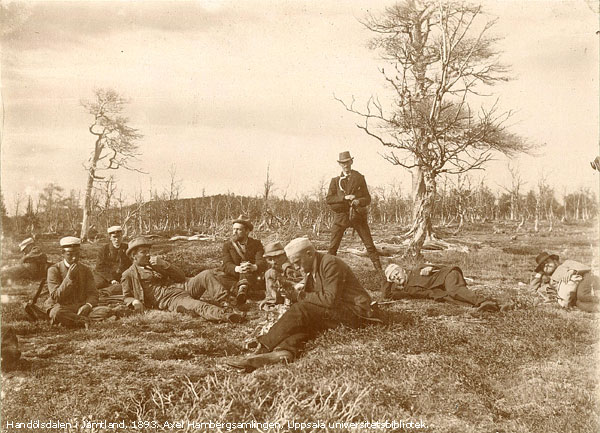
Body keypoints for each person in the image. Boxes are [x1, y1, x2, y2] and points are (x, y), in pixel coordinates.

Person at [225, 237, 381, 372]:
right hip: (340, 312)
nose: (297, 267)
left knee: (302, 310)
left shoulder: (330, 263)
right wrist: (292, 294)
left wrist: (299, 295)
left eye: (298, 262)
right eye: (294, 264)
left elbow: (329, 300)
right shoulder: (312, 267)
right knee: (305, 320)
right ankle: (284, 351)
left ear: (309, 254)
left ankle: (262, 348)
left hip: (358, 313)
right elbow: (315, 300)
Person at [121, 237, 243, 323]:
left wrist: (165, 264)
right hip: (169, 299)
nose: (148, 255)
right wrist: (134, 302)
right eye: (143, 252)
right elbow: (126, 296)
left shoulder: (155, 264)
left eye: (148, 252)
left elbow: (181, 277)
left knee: (206, 274)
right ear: (133, 256)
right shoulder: (128, 274)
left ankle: (226, 303)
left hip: (182, 287)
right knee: (197, 305)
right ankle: (228, 316)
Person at [326, 151, 381, 271]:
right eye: (343, 163)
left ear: (351, 162)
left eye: (347, 162)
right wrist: (344, 197)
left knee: (370, 245)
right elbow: (329, 199)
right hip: (341, 217)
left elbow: (368, 198)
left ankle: (380, 273)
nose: (345, 165)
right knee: (332, 247)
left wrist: (358, 201)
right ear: (340, 164)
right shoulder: (335, 181)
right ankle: (327, 273)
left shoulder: (359, 178)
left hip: (357, 215)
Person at [44, 237, 112, 328]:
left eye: (77, 254)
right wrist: (69, 279)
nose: (74, 258)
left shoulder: (85, 270)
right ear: (62, 254)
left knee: (105, 310)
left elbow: (93, 293)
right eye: (69, 254)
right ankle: (82, 320)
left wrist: (88, 305)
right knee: (56, 313)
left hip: (81, 306)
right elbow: (56, 297)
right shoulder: (54, 270)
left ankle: (73, 320)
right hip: (62, 306)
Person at [382, 263, 501, 311]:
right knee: (451, 298)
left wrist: (431, 268)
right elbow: (386, 295)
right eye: (393, 278)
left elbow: (442, 267)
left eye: (396, 273)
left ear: (403, 270)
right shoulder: (407, 290)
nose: (396, 278)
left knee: (454, 291)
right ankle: (492, 305)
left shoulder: (417, 269)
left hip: (448, 275)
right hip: (441, 291)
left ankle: (484, 301)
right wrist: (386, 279)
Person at [220, 215, 267, 304]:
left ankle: (242, 291)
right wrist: (237, 268)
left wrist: (254, 267)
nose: (235, 232)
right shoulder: (227, 245)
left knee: (248, 273)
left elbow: (262, 261)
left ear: (247, 231)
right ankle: (245, 291)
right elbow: (226, 264)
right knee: (217, 277)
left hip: (252, 276)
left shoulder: (256, 244)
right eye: (234, 229)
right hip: (235, 277)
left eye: (238, 229)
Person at [530, 252, 599, 312]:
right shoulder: (550, 283)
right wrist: (539, 274)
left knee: (582, 295)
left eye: (548, 262)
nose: (546, 265)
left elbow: (586, 267)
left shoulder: (566, 263)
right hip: (575, 293)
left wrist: (572, 271)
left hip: (585, 278)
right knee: (580, 304)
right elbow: (533, 290)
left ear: (554, 260)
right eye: (543, 266)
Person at [93, 225, 131, 296]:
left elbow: (131, 264)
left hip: (121, 276)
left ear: (121, 236)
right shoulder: (104, 250)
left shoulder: (127, 248)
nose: (117, 239)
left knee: (128, 285)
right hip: (105, 275)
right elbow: (99, 268)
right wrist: (111, 279)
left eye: (119, 236)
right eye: (114, 237)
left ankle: (106, 292)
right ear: (110, 238)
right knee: (98, 284)